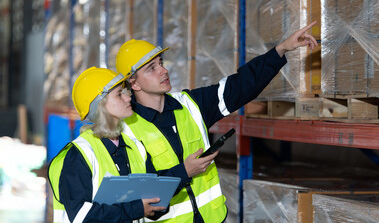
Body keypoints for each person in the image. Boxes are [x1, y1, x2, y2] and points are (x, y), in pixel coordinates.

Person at [115, 21, 319, 223]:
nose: (163, 70)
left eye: (161, 63)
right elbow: (139, 193)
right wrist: (184, 172)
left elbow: (241, 86)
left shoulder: (191, 105)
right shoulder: (126, 130)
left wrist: (280, 50)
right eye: (151, 68)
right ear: (134, 84)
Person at [47, 67, 218, 223]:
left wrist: (183, 173)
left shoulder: (134, 145)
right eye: (119, 94)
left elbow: (150, 201)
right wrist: (137, 208)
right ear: (101, 105)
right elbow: (80, 216)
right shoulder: (80, 154)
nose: (129, 96)